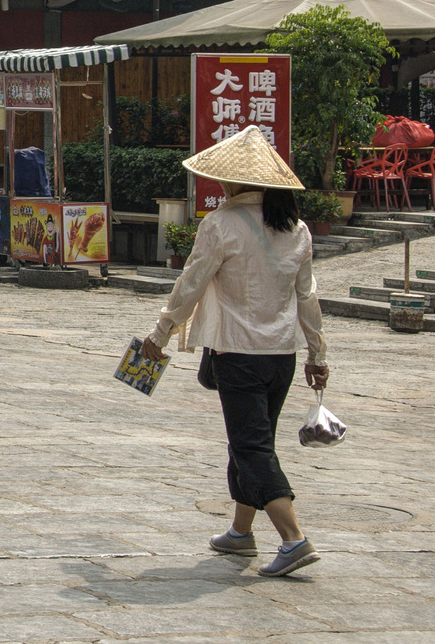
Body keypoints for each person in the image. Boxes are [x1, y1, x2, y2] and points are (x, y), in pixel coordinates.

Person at [140, 125, 330, 579]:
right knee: (250, 440)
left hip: (239, 353)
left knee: (251, 445)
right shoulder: (297, 228)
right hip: (281, 355)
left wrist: (160, 333)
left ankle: (293, 538)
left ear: (236, 181)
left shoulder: (221, 224)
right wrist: (318, 355)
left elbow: (191, 284)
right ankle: (241, 532)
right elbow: (308, 297)